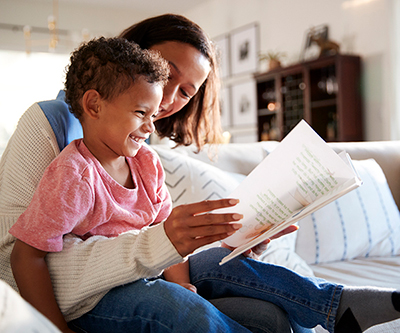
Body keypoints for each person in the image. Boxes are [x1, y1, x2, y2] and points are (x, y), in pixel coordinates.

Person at [1, 14, 399, 333]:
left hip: (148, 275)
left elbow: (161, 234)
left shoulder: (141, 155)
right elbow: (20, 258)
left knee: (262, 307)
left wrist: (241, 239)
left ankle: (336, 305)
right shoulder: (67, 156)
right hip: (94, 294)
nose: (164, 104)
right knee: (182, 308)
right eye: (165, 75)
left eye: (186, 91)